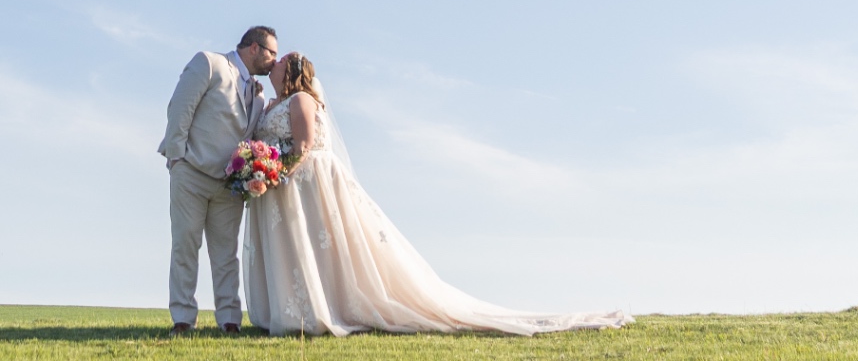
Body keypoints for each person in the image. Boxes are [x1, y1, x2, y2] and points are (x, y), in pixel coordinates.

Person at [243, 52, 631, 336]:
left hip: (308, 182)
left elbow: (306, 143)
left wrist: (277, 172)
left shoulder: (301, 100)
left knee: (322, 246)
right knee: (302, 247)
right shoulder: (271, 103)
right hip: (287, 187)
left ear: (291, 71)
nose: (273, 63)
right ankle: (297, 308)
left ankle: (326, 309)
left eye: (279, 61)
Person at [159, 26, 279, 333]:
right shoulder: (209, 63)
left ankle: (229, 321)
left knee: (226, 254)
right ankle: (183, 319)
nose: (274, 61)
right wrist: (176, 158)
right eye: (272, 53)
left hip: (229, 185)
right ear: (254, 48)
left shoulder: (258, 93)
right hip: (191, 173)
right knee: (185, 246)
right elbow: (180, 108)